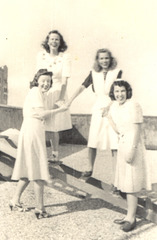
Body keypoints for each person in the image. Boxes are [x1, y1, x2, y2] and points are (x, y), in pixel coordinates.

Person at [10, 69, 67, 219]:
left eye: (48, 81)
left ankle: (14, 200)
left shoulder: (39, 94)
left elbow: (43, 116)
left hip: (32, 130)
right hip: (32, 131)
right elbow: (42, 115)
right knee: (38, 172)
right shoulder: (35, 91)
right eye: (43, 80)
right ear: (36, 80)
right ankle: (40, 209)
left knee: (30, 170)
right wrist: (61, 109)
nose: (46, 84)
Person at [65, 48, 122, 179]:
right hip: (98, 108)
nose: (104, 61)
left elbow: (120, 90)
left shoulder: (117, 72)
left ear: (111, 59)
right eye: (101, 58)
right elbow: (82, 87)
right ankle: (89, 168)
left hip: (113, 106)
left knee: (115, 142)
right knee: (93, 139)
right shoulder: (93, 73)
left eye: (106, 58)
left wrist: (110, 106)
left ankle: (117, 177)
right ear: (97, 60)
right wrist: (69, 101)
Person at [108, 80, 151, 232]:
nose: (119, 94)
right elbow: (119, 130)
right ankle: (128, 216)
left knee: (132, 184)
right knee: (126, 183)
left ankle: (132, 219)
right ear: (113, 93)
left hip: (133, 145)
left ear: (127, 91)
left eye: (122, 91)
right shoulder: (116, 106)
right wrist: (108, 117)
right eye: (116, 91)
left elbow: (138, 129)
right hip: (122, 144)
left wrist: (132, 149)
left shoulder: (133, 105)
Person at [36, 30, 72, 163]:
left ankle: (55, 155)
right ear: (48, 41)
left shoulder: (65, 57)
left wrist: (60, 99)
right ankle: (40, 154)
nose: (54, 42)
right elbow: (38, 76)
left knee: (54, 126)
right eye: (52, 39)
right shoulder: (41, 56)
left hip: (57, 91)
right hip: (44, 90)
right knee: (41, 123)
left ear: (60, 42)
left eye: (57, 39)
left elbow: (64, 80)